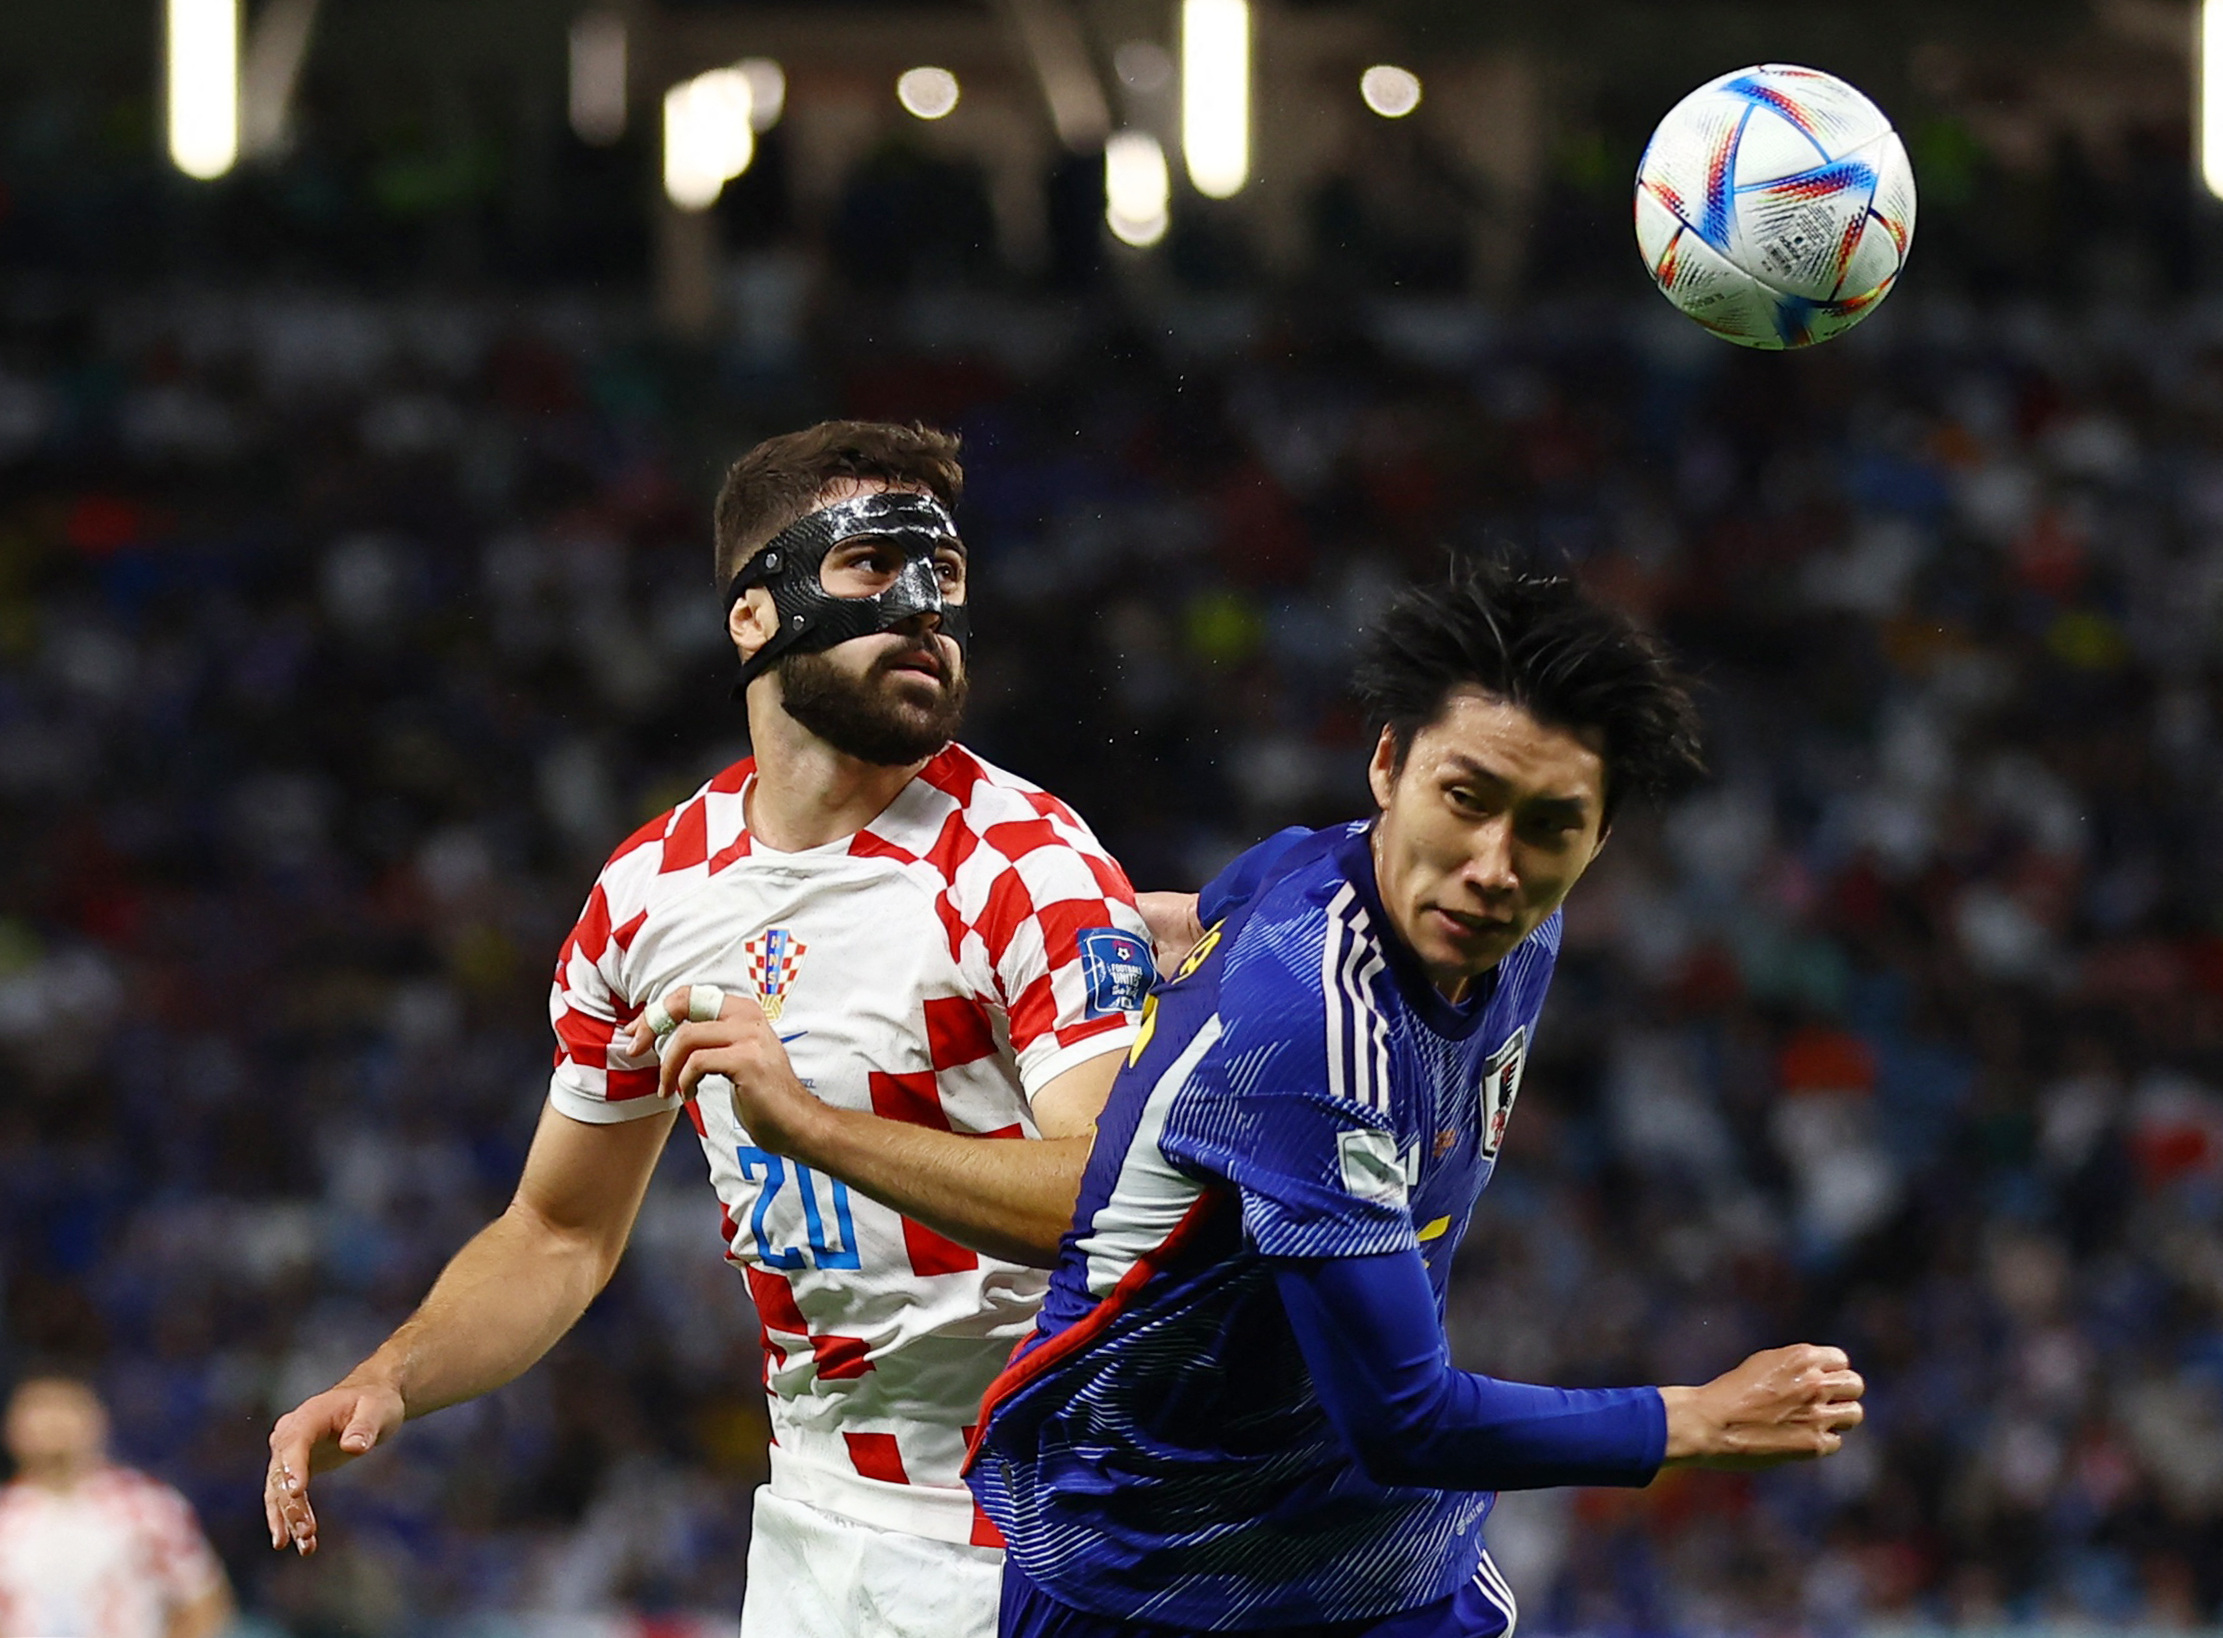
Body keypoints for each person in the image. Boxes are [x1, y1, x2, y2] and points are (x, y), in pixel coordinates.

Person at [259, 421, 1165, 1638]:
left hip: (1039, 1529)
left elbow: (1112, 1207)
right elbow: (559, 1229)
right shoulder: (651, 895)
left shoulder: (1024, 864)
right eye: (873, 569)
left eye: (944, 580)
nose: (923, 611)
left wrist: (810, 1124)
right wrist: (390, 1379)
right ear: (753, 615)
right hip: (811, 1525)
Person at [942, 562, 1869, 1636]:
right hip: (1150, 1573)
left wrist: (1177, 929)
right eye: (1465, 800)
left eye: (1550, 826)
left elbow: (1247, 892)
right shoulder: (1308, 1034)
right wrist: (1697, 1419)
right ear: (1388, 763)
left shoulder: (1482, 920)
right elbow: (1406, 1422)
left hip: (1369, 1553)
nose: (1493, 866)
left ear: (1599, 837)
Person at [0, 1375, 234, 1638]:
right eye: (38, 1410)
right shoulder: (6, 1516)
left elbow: (203, 1598)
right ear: (12, 1427)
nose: (53, 1423)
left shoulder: (147, 1505)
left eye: (67, 1409)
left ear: (97, 1421)